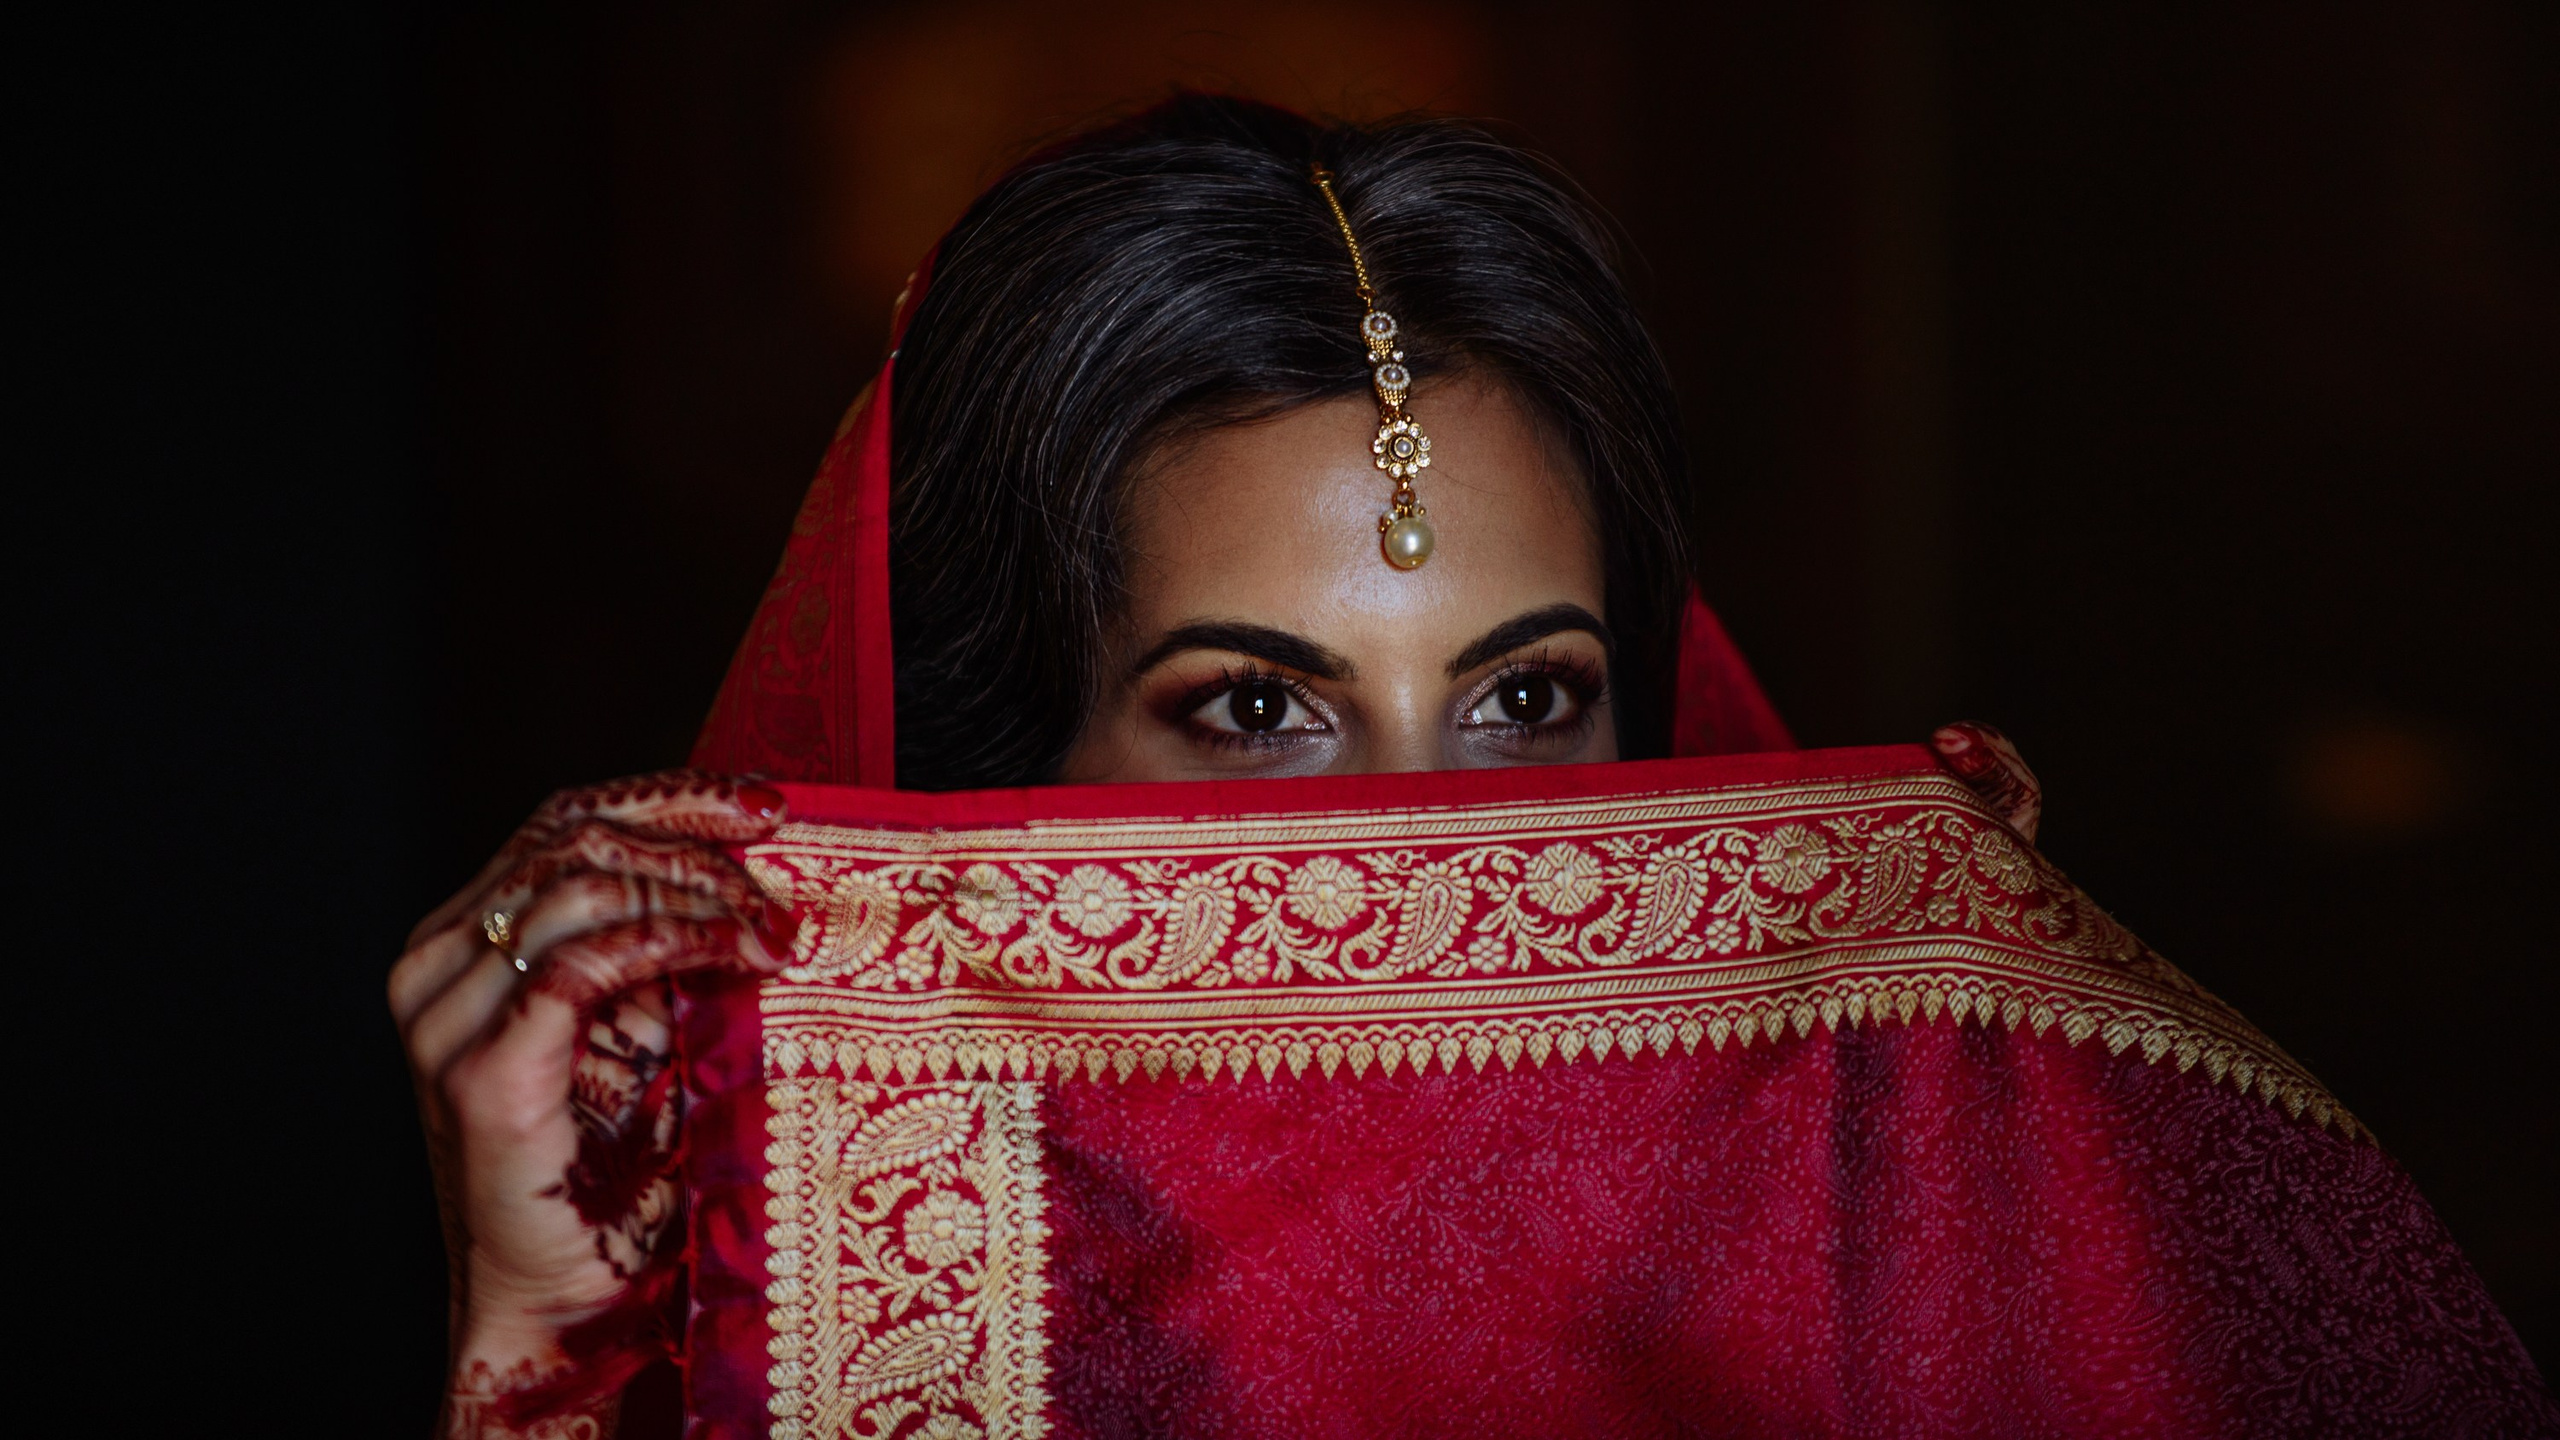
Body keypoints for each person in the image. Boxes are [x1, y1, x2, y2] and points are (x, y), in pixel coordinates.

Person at [391, 96, 2553, 1439]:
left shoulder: (1904, 1263)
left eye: (1527, 701)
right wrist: (546, 1341)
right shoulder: (884, 1293)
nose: (1446, 834)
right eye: (1258, 710)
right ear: (996, 782)